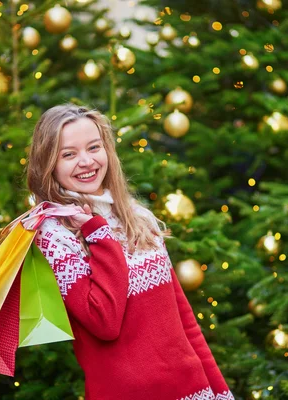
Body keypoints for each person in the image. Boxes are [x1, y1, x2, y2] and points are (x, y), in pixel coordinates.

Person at [26, 104, 233, 400]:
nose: (86, 161)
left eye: (94, 147)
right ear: (48, 164)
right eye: (68, 154)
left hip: (190, 389)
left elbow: (183, 319)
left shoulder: (137, 217)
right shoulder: (54, 236)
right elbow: (104, 323)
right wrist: (98, 235)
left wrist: (219, 390)